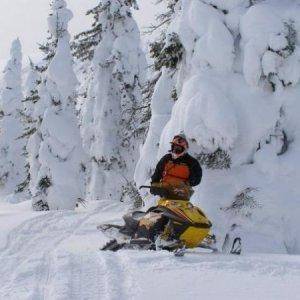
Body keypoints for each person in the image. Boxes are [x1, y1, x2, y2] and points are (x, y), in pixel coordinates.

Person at [150, 133, 202, 199]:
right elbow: (157, 173)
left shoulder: (191, 162)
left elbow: (197, 179)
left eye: (178, 148)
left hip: (182, 194)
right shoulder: (166, 159)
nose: (175, 150)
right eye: (173, 147)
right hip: (165, 192)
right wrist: (154, 184)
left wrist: (189, 182)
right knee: (159, 208)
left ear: (184, 149)